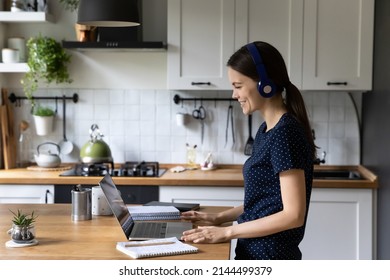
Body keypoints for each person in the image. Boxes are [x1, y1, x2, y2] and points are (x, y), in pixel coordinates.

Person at [181, 41, 316, 260]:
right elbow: (265, 203)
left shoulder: (285, 133)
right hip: (254, 252)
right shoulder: (267, 130)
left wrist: (227, 231)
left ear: (265, 84)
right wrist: (220, 218)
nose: (234, 95)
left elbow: (293, 215)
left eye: (238, 85)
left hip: (270, 256)